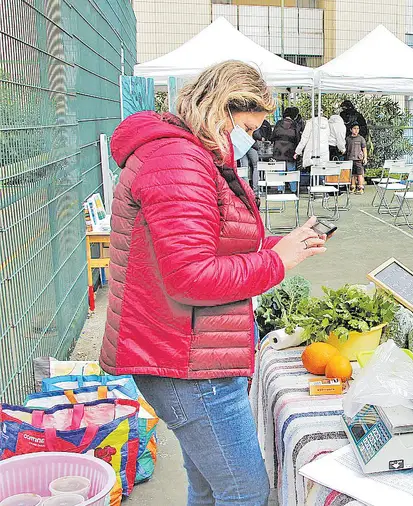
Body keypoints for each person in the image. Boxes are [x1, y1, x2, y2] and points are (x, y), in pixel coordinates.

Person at [101, 61, 328, 506]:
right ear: (221, 109)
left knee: (209, 485)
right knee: (244, 491)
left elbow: (216, 237)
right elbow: (190, 277)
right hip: (185, 362)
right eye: (245, 126)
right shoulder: (179, 159)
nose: (248, 138)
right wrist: (275, 263)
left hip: (190, 352)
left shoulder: (189, 154)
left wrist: (285, 245)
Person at [272, 106, 305, 191]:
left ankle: (280, 189)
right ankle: (293, 190)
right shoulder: (294, 125)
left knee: (280, 171)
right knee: (291, 171)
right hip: (290, 151)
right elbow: (298, 139)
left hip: (278, 151)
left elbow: (272, 137)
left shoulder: (278, 123)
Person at [345, 124, 368, 194]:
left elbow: (364, 149)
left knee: (360, 174)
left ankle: (360, 188)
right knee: (352, 174)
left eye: (357, 128)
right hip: (350, 159)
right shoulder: (348, 139)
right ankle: (352, 187)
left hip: (359, 159)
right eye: (354, 128)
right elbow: (345, 148)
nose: (356, 130)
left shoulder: (361, 138)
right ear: (351, 129)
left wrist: (365, 158)